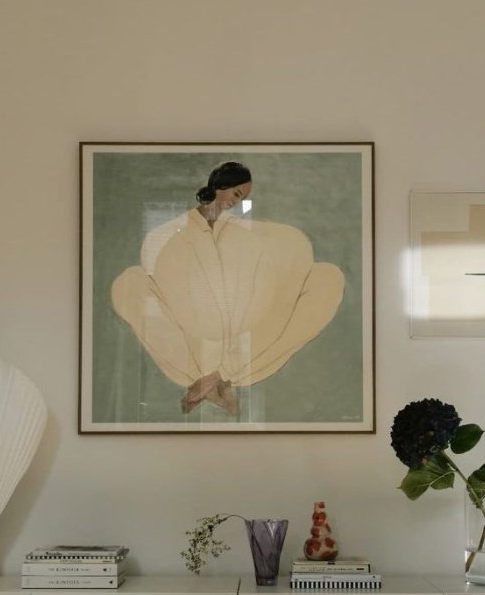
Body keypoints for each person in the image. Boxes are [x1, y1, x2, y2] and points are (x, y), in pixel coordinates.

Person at [111, 161, 345, 416]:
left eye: (242, 198)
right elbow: (172, 288)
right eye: (236, 193)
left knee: (328, 279)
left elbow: (279, 264)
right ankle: (210, 380)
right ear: (219, 186)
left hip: (246, 342)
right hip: (193, 341)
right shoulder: (170, 233)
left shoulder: (246, 232)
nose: (236, 202)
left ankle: (216, 378)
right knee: (127, 283)